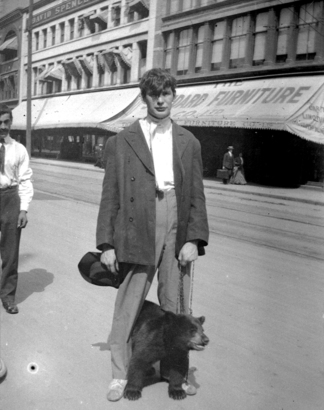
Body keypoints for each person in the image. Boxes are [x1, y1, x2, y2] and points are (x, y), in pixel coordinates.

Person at [96, 68, 209, 402]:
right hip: (137, 222)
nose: (161, 100)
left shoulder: (190, 141)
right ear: (143, 97)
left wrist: (193, 238)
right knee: (129, 304)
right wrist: (106, 243)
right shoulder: (121, 141)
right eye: (154, 94)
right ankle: (120, 374)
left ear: (174, 95)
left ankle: (174, 374)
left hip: (176, 220)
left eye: (167, 93)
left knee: (176, 307)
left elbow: (197, 195)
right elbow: (110, 195)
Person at [0, 104, 33, 314]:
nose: (2, 126)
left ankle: (8, 296)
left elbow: (25, 180)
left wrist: (23, 209)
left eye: (6, 122)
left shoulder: (19, 149)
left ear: (11, 123)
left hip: (10, 198)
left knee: (11, 252)